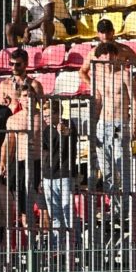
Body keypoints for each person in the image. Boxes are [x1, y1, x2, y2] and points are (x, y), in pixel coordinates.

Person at [92, 42, 136, 197]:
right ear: (99, 57)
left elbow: (135, 100)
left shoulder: (124, 74)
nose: (109, 57)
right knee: (106, 167)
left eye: (112, 53)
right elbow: (98, 101)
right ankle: (114, 208)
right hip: (102, 124)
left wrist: (134, 126)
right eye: (105, 54)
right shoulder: (97, 77)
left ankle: (128, 207)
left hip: (119, 124)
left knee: (122, 164)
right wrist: (93, 126)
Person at [0, 86, 46, 230]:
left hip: (39, 163)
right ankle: (27, 236)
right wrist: (3, 161)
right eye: (25, 95)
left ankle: (48, 241)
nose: (29, 99)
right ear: (20, 99)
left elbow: (48, 145)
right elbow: (9, 143)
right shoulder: (13, 119)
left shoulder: (43, 118)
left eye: (31, 95)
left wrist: (47, 168)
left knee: (43, 203)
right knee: (23, 204)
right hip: (20, 163)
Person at [40, 100, 78, 247]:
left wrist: (61, 128)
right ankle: (57, 244)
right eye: (44, 116)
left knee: (67, 211)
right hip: (48, 176)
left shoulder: (68, 124)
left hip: (64, 175)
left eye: (48, 115)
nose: (46, 118)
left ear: (57, 114)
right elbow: (44, 152)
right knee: (54, 214)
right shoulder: (46, 130)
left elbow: (67, 131)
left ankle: (73, 243)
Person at [5, 0, 70, 47]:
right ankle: (16, 56)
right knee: (10, 27)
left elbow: (49, 17)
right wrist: (18, 0)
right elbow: (16, 21)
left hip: (60, 25)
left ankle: (46, 55)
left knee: (45, 25)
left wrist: (28, 29)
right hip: (38, 27)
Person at [80, 18, 136, 92]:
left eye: (108, 32)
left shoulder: (124, 50)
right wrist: (93, 86)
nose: (105, 35)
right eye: (102, 32)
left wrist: (129, 85)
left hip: (119, 96)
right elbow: (82, 72)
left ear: (113, 32)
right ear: (98, 34)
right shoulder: (93, 52)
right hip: (101, 95)